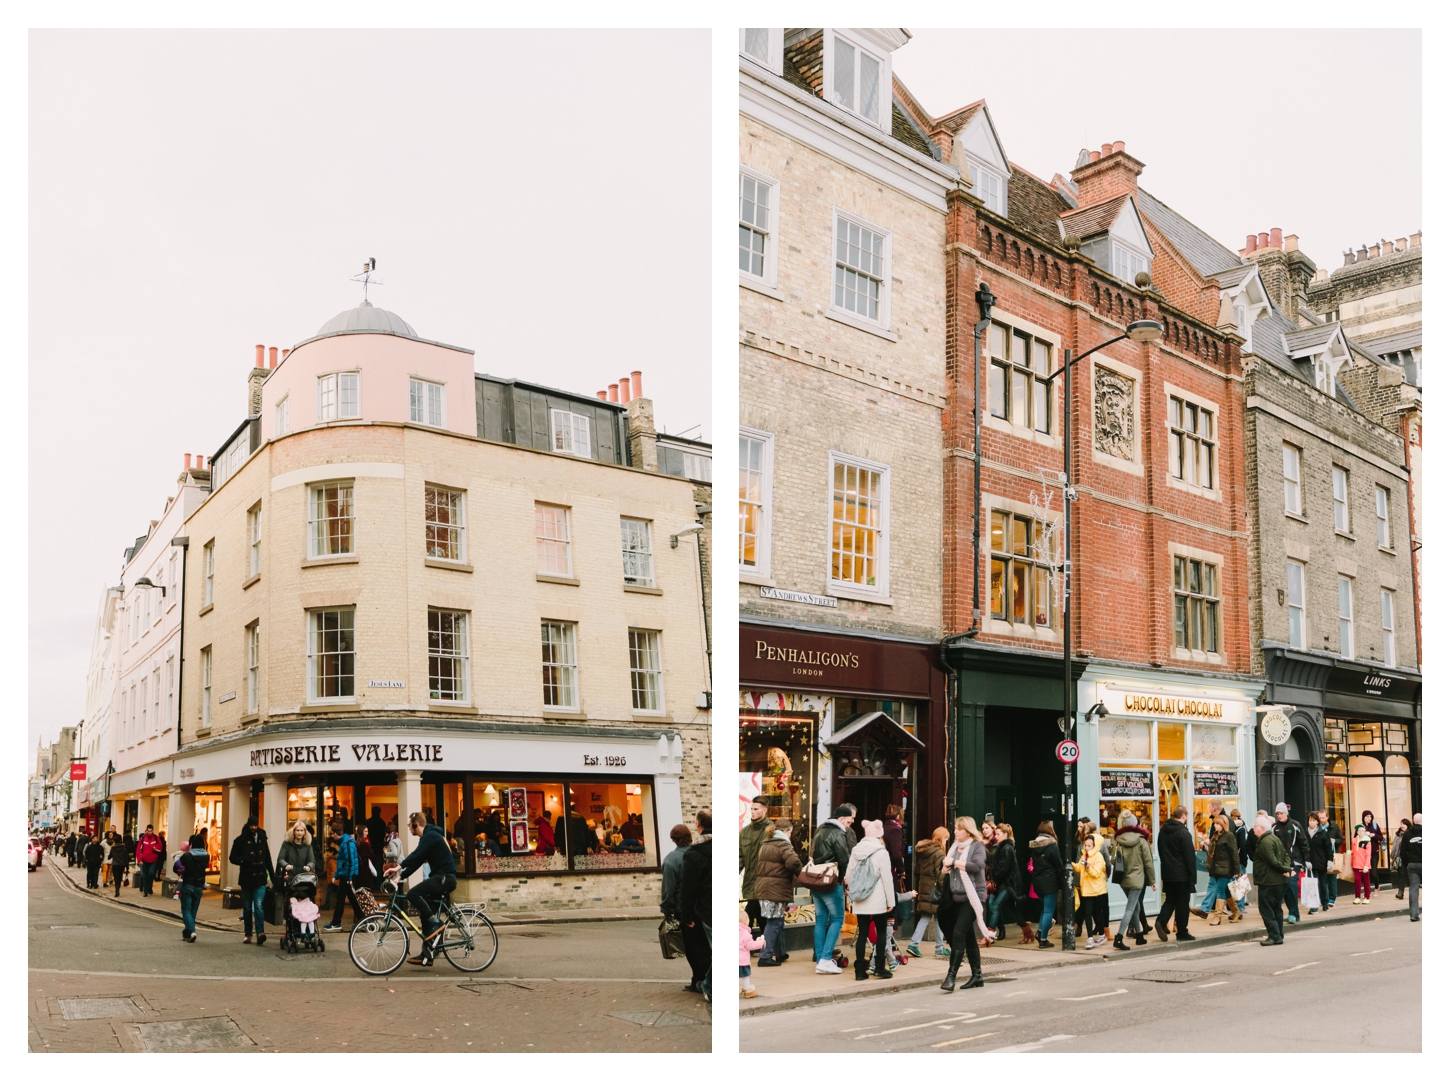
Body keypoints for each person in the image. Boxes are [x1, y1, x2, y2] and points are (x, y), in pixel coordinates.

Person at [383, 811, 457, 967]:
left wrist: (398, 867)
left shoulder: (430, 836)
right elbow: (417, 862)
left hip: (444, 877)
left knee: (413, 894)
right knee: (425, 913)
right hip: (441, 877)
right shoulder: (428, 837)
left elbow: (416, 855)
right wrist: (400, 876)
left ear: (416, 824)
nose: (409, 829)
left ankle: (436, 924)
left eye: (410, 825)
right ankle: (427, 954)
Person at [938, 816, 987, 993]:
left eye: (959, 829)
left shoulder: (977, 846)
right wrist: (944, 869)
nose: (955, 831)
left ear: (968, 830)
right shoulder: (953, 848)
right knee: (968, 937)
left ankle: (951, 977)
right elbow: (949, 869)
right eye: (955, 828)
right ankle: (977, 976)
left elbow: (977, 865)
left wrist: (954, 862)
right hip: (955, 898)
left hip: (973, 898)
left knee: (958, 933)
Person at [845, 820, 896, 980]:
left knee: (862, 934)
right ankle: (879, 967)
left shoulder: (856, 851)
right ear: (879, 835)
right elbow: (887, 879)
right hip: (878, 898)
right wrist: (891, 902)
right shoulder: (882, 852)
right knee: (881, 932)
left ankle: (860, 971)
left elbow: (848, 876)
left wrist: (852, 894)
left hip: (860, 899)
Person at [808, 804, 855, 974]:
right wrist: (848, 879)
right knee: (837, 919)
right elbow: (845, 860)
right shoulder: (838, 833)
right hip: (832, 882)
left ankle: (820, 959)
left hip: (816, 881)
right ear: (841, 819)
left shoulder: (820, 831)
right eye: (849, 822)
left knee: (820, 921)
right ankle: (826, 959)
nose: (849, 825)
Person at [753, 818, 801, 966]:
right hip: (776, 888)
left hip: (764, 887)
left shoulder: (766, 843)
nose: (790, 836)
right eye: (790, 832)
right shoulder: (783, 844)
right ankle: (765, 956)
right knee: (774, 922)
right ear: (786, 831)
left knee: (777, 920)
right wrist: (800, 872)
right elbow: (793, 862)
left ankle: (780, 953)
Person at [677, 810, 713, 1000]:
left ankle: (709, 985)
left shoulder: (695, 852)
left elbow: (688, 887)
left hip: (707, 908)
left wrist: (687, 915)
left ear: (698, 824)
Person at [1111, 813, 1155, 950]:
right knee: (1130, 908)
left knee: (1136, 906)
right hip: (1137, 878)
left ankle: (1140, 935)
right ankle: (1118, 937)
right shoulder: (1142, 840)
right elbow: (1148, 862)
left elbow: (1113, 860)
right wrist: (1152, 880)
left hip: (1123, 878)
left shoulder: (1118, 839)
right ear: (1135, 824)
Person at [228, 815, 273, 945]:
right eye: (252, 826)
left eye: (255, 825)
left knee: (258, 905)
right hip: (246, 879)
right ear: (248, 825)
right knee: (247, 908)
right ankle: (248, 934)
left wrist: (273, 875)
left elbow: (268, 858)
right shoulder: (240, 840)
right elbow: (232, 857)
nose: (254, 828)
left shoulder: (262, 838)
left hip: (260, 879)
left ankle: (260, 933)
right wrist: (243, 860)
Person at [1155, 805, 1198, 942]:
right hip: (1182, 875)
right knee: (1182, 904)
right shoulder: (1184, 833)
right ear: (1184, 816)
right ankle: (1182, 932)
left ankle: (1161, 921)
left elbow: (1161, 851)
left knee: (1170, 900)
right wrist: (1193, 877)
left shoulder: (1163, 831)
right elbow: (1190, 857)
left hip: (1167, 873)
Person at [907, 826, 950, 958]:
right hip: (935, 891)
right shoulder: (939, 854)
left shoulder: (924, 852)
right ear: (941, 838)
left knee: (926, 917)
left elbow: (917, 872)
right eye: (946, 839)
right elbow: (941, 875)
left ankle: (916, 944)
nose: (946, 842)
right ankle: (938, 947)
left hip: (924, 889)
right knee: (938, 918)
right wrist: (945, 890)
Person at [1252, 814, 1292, 945]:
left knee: (1266, 909)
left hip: (1268, 881)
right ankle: (1279, 934)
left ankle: (1274, 935)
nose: (1253, 828)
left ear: (1262, 828)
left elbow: (1272, 861)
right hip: (1279, 881)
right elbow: (1286, 855)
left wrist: (1286, 869)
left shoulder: (1264, 842)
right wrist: (1286, 868)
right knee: (1276, 908)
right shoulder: (1275, 838)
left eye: (1255, 826)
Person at [985, 822, 1026, 944]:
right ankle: (1027, 931)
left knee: (996, 905)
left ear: (1005, 834)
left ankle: (989, 935)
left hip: (1008, 885)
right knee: (1011, 910)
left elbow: (1003, 869)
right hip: (1003, 884)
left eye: (998, 834)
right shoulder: (1002, 847)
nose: (996, 836)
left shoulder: (1007, 848)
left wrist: (992, 869)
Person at [1027, 820, 1065, 949]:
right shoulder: (1052, 845)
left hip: (1037, 881)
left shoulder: (1035, 845)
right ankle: (1043, 939)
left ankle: (1040, 932)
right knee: (1049, 910)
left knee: (1045, 908)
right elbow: (1058, 864)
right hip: (1049, 881)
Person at [738, 796, 773, 937]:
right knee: (751, 915)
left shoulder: (772, 830)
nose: (752, 812)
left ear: (764, 810)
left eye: (756, 809)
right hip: (750, 882)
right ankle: (750, 946)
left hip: (766, 883)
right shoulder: (745, 832)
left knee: (761, 917)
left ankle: (765, 949)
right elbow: (739, 856)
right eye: (751, 808)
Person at [1271, 803, 1310, 922]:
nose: (1279, 816)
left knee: (1290, 886)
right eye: (1277, 814)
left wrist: (1307, 860)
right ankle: (1293, 914)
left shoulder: (1295, 825)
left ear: (1286, 813)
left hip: (1294, 862)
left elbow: (1303, 843)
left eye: (1281, 813)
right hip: (1281, 864)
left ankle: (1293, 913)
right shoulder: (1274, 827)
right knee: (1284, 888)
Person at [324, 820, 363, 931]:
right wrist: (337, 875)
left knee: (342, 899)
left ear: (336, 834)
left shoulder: (346, 843)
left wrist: (349, 878)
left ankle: (336, 922)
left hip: (347, 875)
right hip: (346, 874)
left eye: (332, 834)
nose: (332, 836)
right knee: (349, 898)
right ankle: (362, 919)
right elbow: (342, 861)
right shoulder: (345, 842)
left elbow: (349, 861)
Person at [1203, 814, 1242, 924]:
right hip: (1216, 869)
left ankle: (1217, 916)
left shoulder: (1229, 836)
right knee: (1226, 892)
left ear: (1223, 825)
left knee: (1220, 891)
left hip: (1225, 869)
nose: (1215, 826)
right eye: (1215, 823)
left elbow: (1234, 854)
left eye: (1218, 824)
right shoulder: (1215, 836)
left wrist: (1236, 870)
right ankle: (1236, 912)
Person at [1073, 832, 1110, 947]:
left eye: (1089, 846)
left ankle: (1102, 935)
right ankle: (1090, 938)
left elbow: (1096, 873)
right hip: (1087, 890)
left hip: (1098, 891)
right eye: (1086, 845)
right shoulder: (1084, 856)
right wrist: (1072, 865)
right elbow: (1079, 868)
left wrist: (1088, 867)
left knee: (1097, 913)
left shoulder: (1098, 856)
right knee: (1088, 913)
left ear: (1095, 846)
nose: (1086, 848)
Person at [177, 833, 210, 943]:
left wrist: (182, 870)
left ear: (192, 844)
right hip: (199, 887)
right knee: (193, 911)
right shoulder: (206, 856)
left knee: (186, 910)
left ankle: (192, 932)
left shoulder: (186, 856)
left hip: (187, 885)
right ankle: (187, 933)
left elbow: (176, 867)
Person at [660, 824, 692, 919]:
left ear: (673, 839)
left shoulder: (671, 859)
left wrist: (666, 909)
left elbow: (668, 888)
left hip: (681, 907)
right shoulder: (700, 853)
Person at [1317, 809, 1343, 908]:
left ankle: (1332, 898)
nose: (1321, 820)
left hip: (1332, 855)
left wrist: (1335, 841)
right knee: (1322, 879)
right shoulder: (1318, 828)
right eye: (1320, 818)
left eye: (1323, 818)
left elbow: (1341, 840)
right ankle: (1324, 898)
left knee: (1332, 878)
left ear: (1327, 817)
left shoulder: (1334, 827)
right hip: (1321, 856)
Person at [739, 910, 765, 999]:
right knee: (745, 976)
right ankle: (748, 991)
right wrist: (760, 942)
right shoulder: (745, 934)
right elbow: (751, 945)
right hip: (742, 961)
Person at [1360, 810, 1386, 893]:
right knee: (1365, 871)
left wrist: (1374, 835)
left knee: (1374, 872)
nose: (1369, 818)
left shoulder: (1374, 825)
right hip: (1363, 852)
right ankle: (1367, 890)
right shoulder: (1360, 827)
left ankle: (1376, 887)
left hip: (1374, 851)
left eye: (1370, 816)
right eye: (1367, 816)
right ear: (1363, 818)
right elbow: (1355, 838)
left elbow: (1381, 837)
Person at [1402, 812, 1422, 922]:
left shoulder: (1407, 834)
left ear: (1413, 821)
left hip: (1412, 864)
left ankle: (1414, 914)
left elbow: (1402, 852)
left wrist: (1407, 863)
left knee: (1413, 889)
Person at [1351, 825, 1374, 903]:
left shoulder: (1367, 842)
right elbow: (1354, 851)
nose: (1360, 832)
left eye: (1362, 831)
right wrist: (1350, 852)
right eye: (1359, 830)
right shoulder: (1354, 840)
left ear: (1365, 832)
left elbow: (1368, 855)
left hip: (1364, 865)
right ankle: (1357, 897)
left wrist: (1366, 865)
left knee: (1366, 882)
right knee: (1357, 881)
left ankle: (1367, 897)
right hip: (1356, 864)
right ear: (1357, 832)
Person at [1391, 818, 1411, 899]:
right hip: (1400, 858)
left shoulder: (1410, 834)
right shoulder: (1398, 835)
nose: (1402, 825)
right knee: (1401, 875)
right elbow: (1394, 847)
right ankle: (1400, 892)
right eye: (1401, 824)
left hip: (1409, 857)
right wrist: (1393, 856)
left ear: (1408, 825)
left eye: (1404, 824)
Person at [108, 830, 131, 898]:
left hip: (115, 864)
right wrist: (127, 867)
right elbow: (125, 858)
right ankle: (118, 888)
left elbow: (109, 856)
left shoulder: (113, 848)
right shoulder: (123, 848)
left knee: (116, 877)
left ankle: (116, 889)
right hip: (121, 865)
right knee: (120, 877)